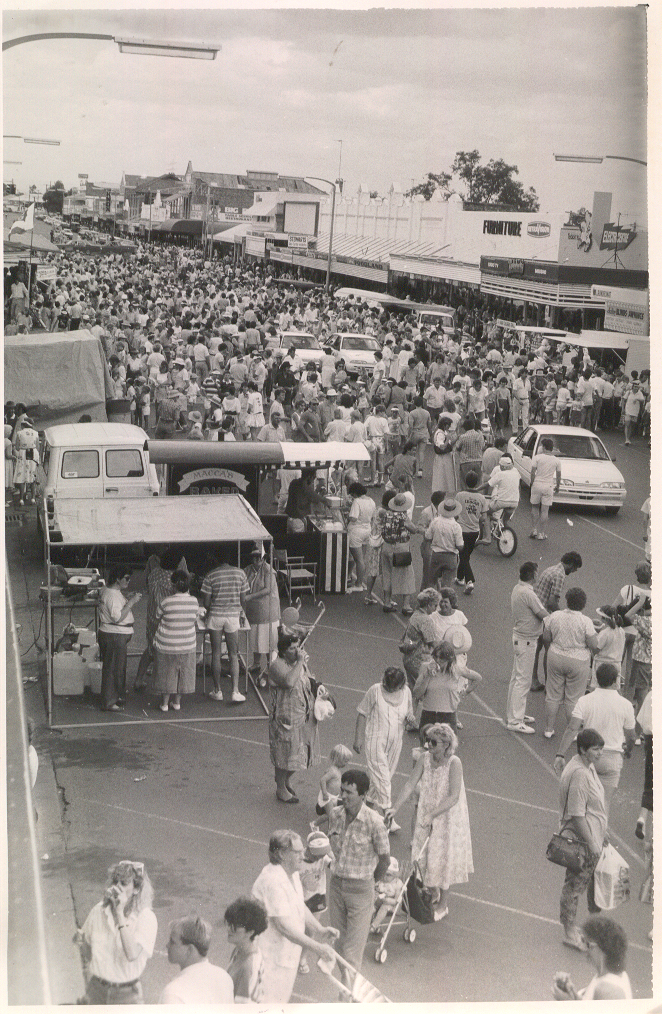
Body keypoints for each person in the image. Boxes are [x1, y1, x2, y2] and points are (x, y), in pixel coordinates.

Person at [388, 723, 473, 922]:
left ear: (446, 744)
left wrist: (432, 814)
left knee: (443, 858)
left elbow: (453, 797)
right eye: (427, 740)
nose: (428, 745)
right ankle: (433, 891)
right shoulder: (425, 758)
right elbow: (410, 783)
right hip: (427, 811)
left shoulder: (454, 763)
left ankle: (443, 905)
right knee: (423, 854)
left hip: (446, 816)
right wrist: (395, 808)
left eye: (433, 742)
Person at [251, 830, 337, 1002]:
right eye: (297, 852)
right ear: (282, 854)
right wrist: (317, 947)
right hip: (268, 960)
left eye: (302, 850)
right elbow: (283, 927)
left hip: (285, 957)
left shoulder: (293, 873)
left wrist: (319, 928)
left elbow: (300, 905)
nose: (302, 855)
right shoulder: (273, 881)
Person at [328, 770, 391, 984]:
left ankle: (346, 997)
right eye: (342, 790)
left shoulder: (374, 822)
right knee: (338, 945)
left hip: (361, 890)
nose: (343, 796)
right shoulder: (336, 815)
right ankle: (348, 989)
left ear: (363, 795)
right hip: (336, 887)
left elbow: (385, 860)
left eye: (349, 792)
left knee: (352, 952)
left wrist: (371, 882)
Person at [553, 663, 636, 818]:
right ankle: (599, 838)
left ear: (597, 680)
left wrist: (560, 754)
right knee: (603, 805)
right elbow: (631, 736)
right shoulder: (625, 705)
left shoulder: (585, 700)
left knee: (581, 801)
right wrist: (628, 750)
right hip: (612, 758)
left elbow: (572, 728)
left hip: (588, 756)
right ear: (614, 681)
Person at [74, 860, 157, 1004]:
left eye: (123, 883)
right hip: (96, 990)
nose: (116, 888)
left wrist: (119, 913)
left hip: (126, 995)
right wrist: (81, 942)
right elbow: (89, 951)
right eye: (115, 882)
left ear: (136, 889)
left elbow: (132, 954)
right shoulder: (98, 911)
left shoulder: (146, 917)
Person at [557, 729, 607, 952]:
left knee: (585, 884)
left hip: (593, 836)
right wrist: (593, 844)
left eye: (600, 748)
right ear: (583, 750)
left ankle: (583, 928)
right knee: (575, 886)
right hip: (584, 842)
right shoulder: (579, 773)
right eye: (595, 749)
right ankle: (569, 931)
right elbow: (577, 815)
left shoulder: (587, 766)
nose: (599, 753)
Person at [353, 667, 415, 816]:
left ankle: (365, 810)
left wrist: (410, 718)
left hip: (395, 743)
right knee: (383, 779)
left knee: (380, 778)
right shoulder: (375, 690)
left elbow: (409, 712)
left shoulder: (406, 692)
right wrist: (358, 738)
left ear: (401, 685)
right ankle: (388, 814)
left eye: (393, 688)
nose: (389, 689)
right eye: (387, 686)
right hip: (375, 742)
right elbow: (362, 713)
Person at [267, 632, 320, 803]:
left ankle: (285, 781)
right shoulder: (277, 665)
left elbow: (309, 680)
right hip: (285, 719)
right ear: (283, 651)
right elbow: (288, 682)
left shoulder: (300, 663)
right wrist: (300, 662)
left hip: (303, 715)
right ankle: (280, 787)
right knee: (285, 754)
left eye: (298, 647)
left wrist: (321, 692)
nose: (296, 651)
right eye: (292, 648)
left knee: (301, 753)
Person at [543, 588, 599, 739]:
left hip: (556, 655)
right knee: (573, 698)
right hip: (578, 660)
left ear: (567, 601)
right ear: (583, 604)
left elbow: (546, 637)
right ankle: (572, 731)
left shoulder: (554, 616)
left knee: (553, 694)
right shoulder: (586, 621)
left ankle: (549, 728)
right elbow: (594, 645)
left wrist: (551, 650)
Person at [201, 547, 249, 704]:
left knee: (216, 653)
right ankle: (235, 691)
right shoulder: (241, 573)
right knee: (233, 654)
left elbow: (206, 603)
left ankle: (217, 691)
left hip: (215, 616)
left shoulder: (211, 575)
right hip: (233, 617)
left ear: (216, 559)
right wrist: (241, 613)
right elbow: (243, 600)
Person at [530, 551, 583, 693]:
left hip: (536, 613)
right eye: (575, 568)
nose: (574, 571)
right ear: (571, 564)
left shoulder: (551, 569)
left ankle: (534, 680)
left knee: (537, 649)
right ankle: (550, 685)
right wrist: (562, 616)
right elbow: (552, 602)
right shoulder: (560, 575)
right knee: (550, 650)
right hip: (545, 616)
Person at [506, 561, 548, 734]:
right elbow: (542, 614)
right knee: (523, 681)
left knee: (517, 678)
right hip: (527, 640)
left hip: (521, 638)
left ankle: (515, 714)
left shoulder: (518, 589)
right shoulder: (529, 593)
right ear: (533, 575)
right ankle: (515, 720)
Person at [151, 569, 201, 713]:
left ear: (173, 585)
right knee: (182, 674)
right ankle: (177, 702)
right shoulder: (194, 602)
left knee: (167, 673)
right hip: (187, 645)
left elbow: (156, 616)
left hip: (166, 644)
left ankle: (164, 703)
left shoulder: (166, 602)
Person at [134, 548, 184, 691]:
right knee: (169, 651)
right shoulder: (175, 578)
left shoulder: (154, 574)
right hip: (168, 618)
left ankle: (139, 679)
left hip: (152, 616)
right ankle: (165, 684)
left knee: (151, 649)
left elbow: (147, 586)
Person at [552, 915, 632, 1000]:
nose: (583, 948)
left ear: (601, 948)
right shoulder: (609, 975)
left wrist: (566, 1002)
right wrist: (574, 995)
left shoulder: (607, 991)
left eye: (587, 944)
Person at [160, 916, 234, 1003]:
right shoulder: (224, 977)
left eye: (172, 942)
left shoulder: (173, 993)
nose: (167, 945)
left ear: (189, 950)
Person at [98, 566, 142, 712]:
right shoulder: (111, 595)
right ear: (117, 579)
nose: (128, 581)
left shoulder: (110, 591)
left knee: (117, 667)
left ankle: (116, 696)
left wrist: (126, 598)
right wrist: (131, 602)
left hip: (114, 634)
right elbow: (117, 618)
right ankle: (109, 701)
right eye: (126, 578)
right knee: (113, 669)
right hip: (115, 635)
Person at [413, 641, 481, 731]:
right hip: (428, 715)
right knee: (426, 744)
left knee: (448, 745)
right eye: (435, 656)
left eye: (442, 658)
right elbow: (417, 694)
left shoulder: (457, 669)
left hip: (448, 716)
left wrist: (465, 692)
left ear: (449, 659)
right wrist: (427, 675)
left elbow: (477, 678)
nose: (437, 660)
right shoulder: (425, 667)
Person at [378, 492, 420, 614]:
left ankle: (387, 601)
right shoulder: (403, 517)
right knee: (406, 575)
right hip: (401, 548)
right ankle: (406, 605)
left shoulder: (386, 515)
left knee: (387, 574)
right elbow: (413, 529)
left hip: (386, 546)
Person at [243, 544, 280, 675]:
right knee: (255, 639)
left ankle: (271, 666)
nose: (257, 559)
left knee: (269, 640)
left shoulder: (268, 570)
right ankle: (256, 664)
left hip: (267, 611)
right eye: (254, 557)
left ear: (263, 557)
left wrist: (250, 596)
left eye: (259, 557)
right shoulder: (247, 570)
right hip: (253, 611)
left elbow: (268, 589)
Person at [224, 896, 268, 1003]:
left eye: (236, 926)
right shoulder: (241, 949)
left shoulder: (247, 967)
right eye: (229, 923)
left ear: (250, 932)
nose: (229, 929)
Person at [399, 588, 440, 689]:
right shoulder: (426, 620)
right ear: (429, 605)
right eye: (435, 605)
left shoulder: (416, 614)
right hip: (419, 661)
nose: (436, 608)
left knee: (413, 687)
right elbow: (432, 642)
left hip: (408, 658)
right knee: (425, 689)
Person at [455, 471, 489, 593]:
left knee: (463, 556)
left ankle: (469, 581)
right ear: (477, 483)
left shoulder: (459, 495)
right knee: (465, 555)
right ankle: (459, 577)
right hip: (474, 531)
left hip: (461, 530)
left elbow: (455, 512)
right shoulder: (481, 498)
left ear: (465, 482)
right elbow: (484, 518)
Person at [426, 497, 464, 589]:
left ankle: (431, 601)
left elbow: (428, 536)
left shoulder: (435, 521)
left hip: (436, 554)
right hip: (451, 556)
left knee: (432, 581)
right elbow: (460, 546)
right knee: (447, 585)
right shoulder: (456, 526)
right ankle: (445, 601)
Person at [346, 481, 376, 593]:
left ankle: (358, 583)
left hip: (356, 531)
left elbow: (353, 517)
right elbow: (373, 517)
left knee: (358, 559)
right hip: (367, 530)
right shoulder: (371, 501)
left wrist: (347, 516)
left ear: (355, 493)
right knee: (361, 559)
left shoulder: (357, 502)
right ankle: (360, 581)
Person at [529, 436, 561, 540]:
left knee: (534, 507)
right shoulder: (556, 461)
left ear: (543, 447)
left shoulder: (537, 458)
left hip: (537, 484)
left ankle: (533, 529)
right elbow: (559, 475)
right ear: (552, 448)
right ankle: (541, 533)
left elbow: (533, 472)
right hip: (548, 486)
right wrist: (558, 486)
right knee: (544, 510)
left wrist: (532, 483)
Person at [313, 743, 354, 823]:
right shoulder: (333, 771)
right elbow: (323, 780)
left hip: (333, 797)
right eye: (345, 761)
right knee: (330, 815)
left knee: (332, 814)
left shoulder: (337, 770)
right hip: (328, 797)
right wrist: (325, 793)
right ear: (338, 759)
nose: (346, 764)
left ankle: (330, 828)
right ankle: (315, 824)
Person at [284, 467, 332, 533]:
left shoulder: (293, 482)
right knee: (299, 542)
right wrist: (327, 501)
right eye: (313, 478)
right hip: (298, 521)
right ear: (309, 476)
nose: (313, 481)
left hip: (289, 519)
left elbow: (310, 496)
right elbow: (317, 499)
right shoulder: (306, 487)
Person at [635, 690, 652, 842]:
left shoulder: (652, 694)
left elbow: (642, 720)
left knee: (649, 783)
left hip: (651, 741)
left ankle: (642, 817)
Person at [369, 857, 405, 933]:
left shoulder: (397, 884)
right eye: (384, 874)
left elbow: (397, 900)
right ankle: (365, 922)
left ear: (395, 875)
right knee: (371, 906)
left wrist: (388, 900)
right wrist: (377, 890)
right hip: (380, 901)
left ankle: (374, 925)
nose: (385, 877)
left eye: (388, 875)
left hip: (392, 905)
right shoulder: (381, 881)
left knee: (384, 907)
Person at [431, 416, 456, 495]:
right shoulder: (440, 434)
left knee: (445, 475)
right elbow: (442, 447)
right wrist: (448, 439)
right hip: (443, 458)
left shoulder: (443, 432)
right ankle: (440, 491)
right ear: (444, 425)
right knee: (441, 475)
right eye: (448, 425)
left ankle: (443, 491)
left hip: (445, 457)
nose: (449, 427)